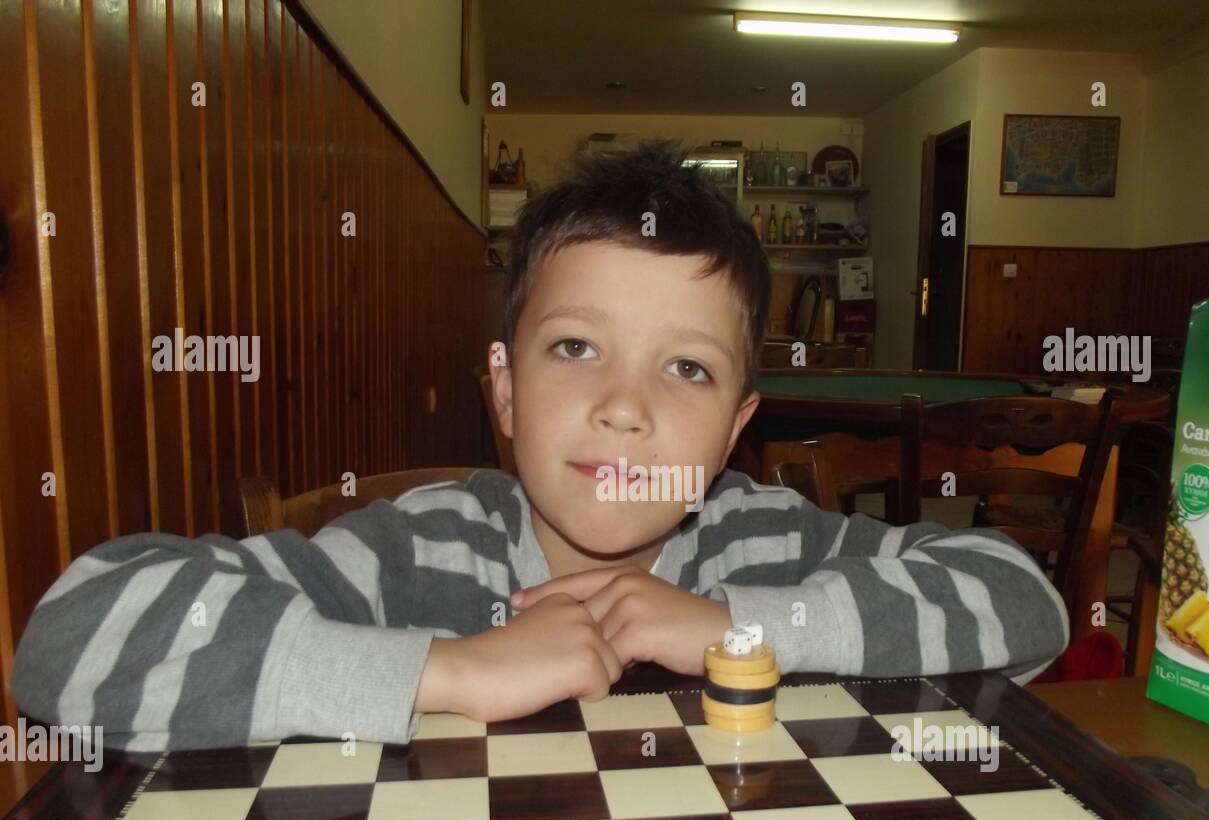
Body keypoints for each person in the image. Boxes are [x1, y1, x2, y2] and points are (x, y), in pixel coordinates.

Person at [11, 139, 1068, 752]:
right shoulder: (414, 554)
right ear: (504, 393)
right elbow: (69, 637)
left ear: (738, 431)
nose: (624, 406)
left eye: (687, 369)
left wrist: (737, 625)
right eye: (575, 348)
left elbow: (1026, 607)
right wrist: (442, 668)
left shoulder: (763, 545)